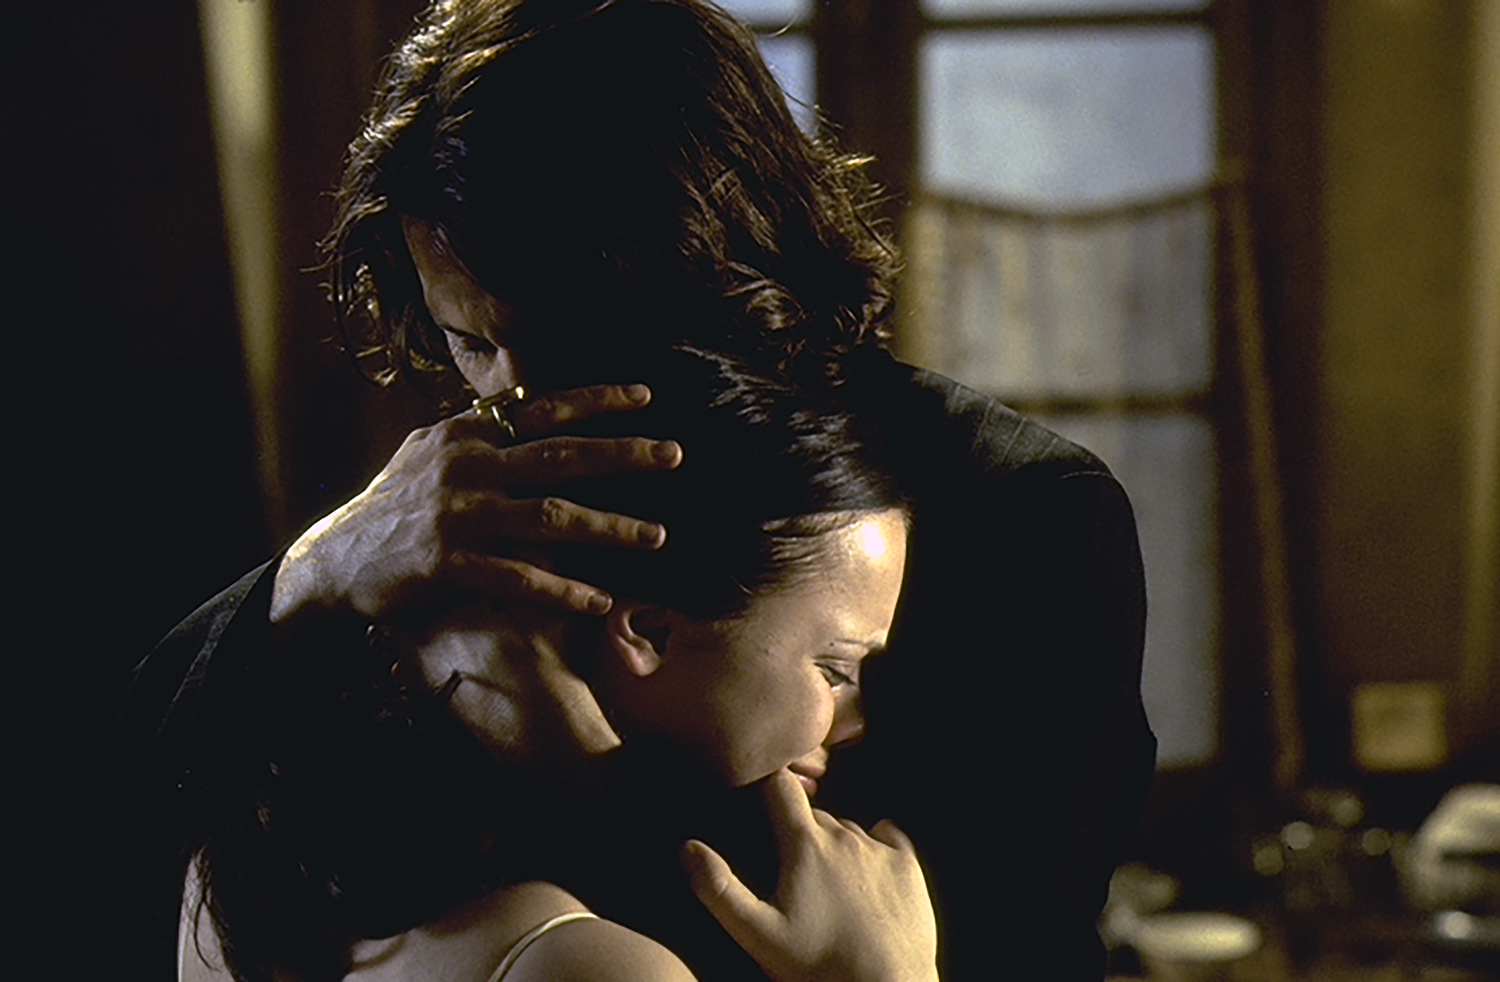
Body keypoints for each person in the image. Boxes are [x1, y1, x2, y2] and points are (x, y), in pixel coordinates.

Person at [117, 0, 1156, 977]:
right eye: (470, 342)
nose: (515, 399)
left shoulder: (1027, 522)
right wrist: (325, 566)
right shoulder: (459, 504)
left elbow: (971, 943)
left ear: (719, 256)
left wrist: (588, 779)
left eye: (566, 336)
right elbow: (129, 787)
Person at [178, 346, 935, 982]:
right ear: (650, 633)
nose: (854, 723)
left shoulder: (254, 858)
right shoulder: (591, 964)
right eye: (834, 668)